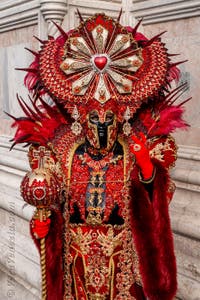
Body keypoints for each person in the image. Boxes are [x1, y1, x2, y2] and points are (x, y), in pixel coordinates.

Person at [11, 12, 189, 300]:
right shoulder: (63, 150)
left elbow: (156, 204)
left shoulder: (135, 148)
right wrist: (41, 225)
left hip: (123, 264)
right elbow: (52, 205)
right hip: (76, 262)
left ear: (121, 117)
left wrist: (145, 165)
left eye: (109, 120)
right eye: (95, 118)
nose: (102, 127)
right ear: (82, 118)